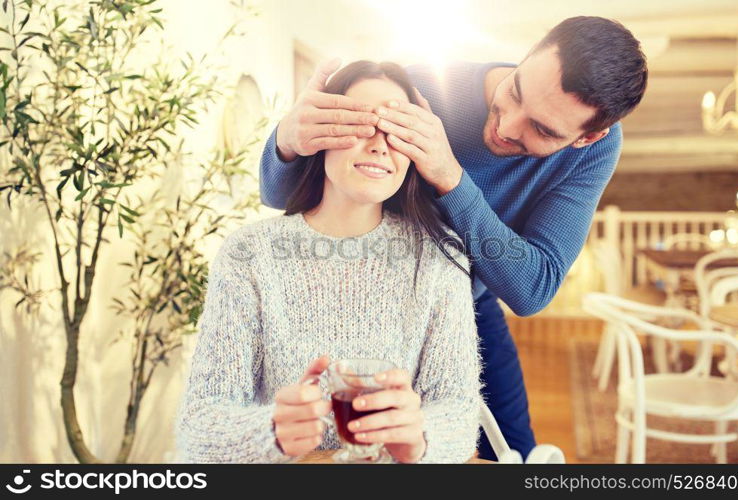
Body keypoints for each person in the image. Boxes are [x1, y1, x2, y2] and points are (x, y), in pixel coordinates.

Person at [258, 16, 649, 460]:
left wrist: (450, 177)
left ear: (588, 137)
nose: (507, 126)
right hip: (367, 300)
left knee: (512, 454)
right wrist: (288, 141)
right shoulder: (421, 86)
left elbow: (532, 289)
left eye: (542, 130)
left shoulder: (597, 150)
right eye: (514, 92)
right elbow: (281, 195)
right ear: (529, 54)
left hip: (468, 302)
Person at [174, 61, 483, 464]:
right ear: (317, 132)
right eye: (359, 125)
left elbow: (459, 413)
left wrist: (420, 438)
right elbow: (198, 427)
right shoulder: (249, 254)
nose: (379, 145)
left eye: (397, 131)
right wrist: (270, 431)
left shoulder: (440, 258)